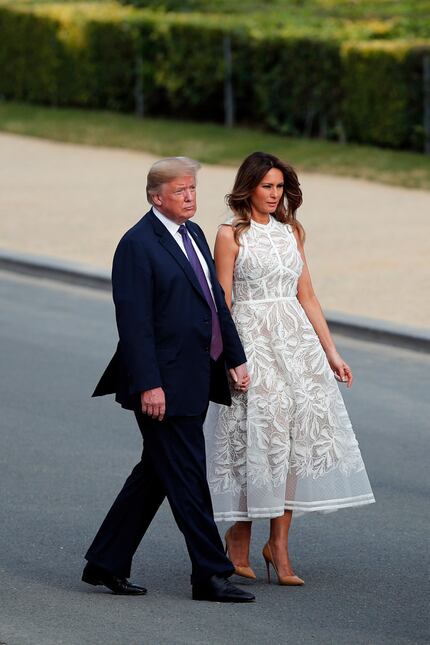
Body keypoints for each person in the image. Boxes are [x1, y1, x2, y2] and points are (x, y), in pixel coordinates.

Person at [82, 156, 255, 603]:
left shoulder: (194, 233)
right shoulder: (137, 245)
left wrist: (233, 357)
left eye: (193, 189)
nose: (190, 197)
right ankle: (210, 575)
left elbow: (215, 300)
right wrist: (149, 385)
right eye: (181, 191)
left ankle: (106, 561)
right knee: (187, 475)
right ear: (156, 197)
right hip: (161, 386)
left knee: (157, 473)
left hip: (196, 377)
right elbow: (134, 324)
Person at [204, 151, 375, 586]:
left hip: (296, 346)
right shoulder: (230, 234)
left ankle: (277, 546)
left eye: (280, 187)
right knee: (259, 437)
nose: (274, 194)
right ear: (249, 187)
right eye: (267, 186)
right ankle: (239, 537)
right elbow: (221, 301)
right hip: (253, 344)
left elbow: (308, 295)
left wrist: (331, 352)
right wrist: (229, 357)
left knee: (294, 441)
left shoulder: (292, 232)